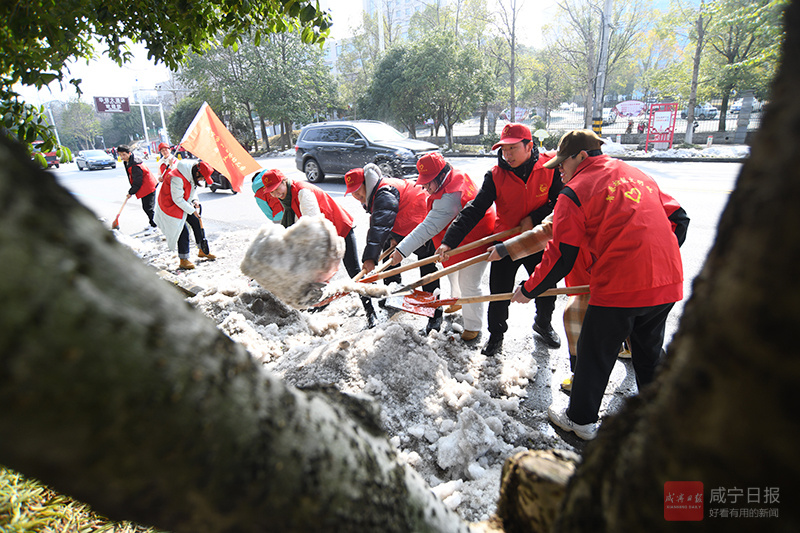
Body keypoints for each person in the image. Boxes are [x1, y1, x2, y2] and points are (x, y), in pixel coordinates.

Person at [512, 129, 689, 440]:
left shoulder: (575, 192)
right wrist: (655, 259)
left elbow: (561, 257)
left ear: (581, 157)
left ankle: (579, 419)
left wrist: (529, 290)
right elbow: (680, 219)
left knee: (595, 351)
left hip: (619, 287)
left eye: (562, 166)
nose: (561, 175)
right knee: (648, 351)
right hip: (666, 282)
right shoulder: (635, 174)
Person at [437, 123, 562, 356]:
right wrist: (449, 242)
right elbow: (474, 209)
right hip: (506, 244)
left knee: (546, 288)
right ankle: (496, 335)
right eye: (504, 149)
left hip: (537, 239)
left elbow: (559, 202)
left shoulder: (550, 166)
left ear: (529, 146)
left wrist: (534, 218)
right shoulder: (496, 175)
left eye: (513, 148)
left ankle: (543, 324)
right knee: (498, 293)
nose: (507, 155)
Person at [391, 152, 497, 342]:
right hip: (456, 235)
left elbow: (429, 226)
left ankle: (473, 325)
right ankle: (457, 300)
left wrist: (401, 251)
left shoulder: (450, 196)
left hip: (475, 235)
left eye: (428, 182)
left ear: (441, 175)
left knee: (469, 282)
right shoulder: (451, 177)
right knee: (452, 270)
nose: (425, 187)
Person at [256, 169, 378, 328]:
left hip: (339, 229)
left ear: (284, 180)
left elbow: (313, 227)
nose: (275, 193)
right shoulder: (287, 196)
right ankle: (322, 303)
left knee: (354, 272)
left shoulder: (302, 193)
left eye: (277, 188)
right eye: (271, 191)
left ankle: (371, 312)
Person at [345, 164, 442, 333]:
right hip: (404, 218)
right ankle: (392, 292)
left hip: (420, 219)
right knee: (388, 252)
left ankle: (435, 312)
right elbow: (382, 222)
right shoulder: (374, 191)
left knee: (426, 263)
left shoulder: (384, 191)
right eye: (351, 192)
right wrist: (394, 238)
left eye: (357, 189)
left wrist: (369, 258)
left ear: (366, 183)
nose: (356, 195)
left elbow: (380, 225)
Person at [154, 159, 217, 270]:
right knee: (182, 230)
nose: (202, 180)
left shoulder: (192, 173)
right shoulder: (177, 177)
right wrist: (192, 211)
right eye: (202, 177)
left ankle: (202, 249)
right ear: (197, 173)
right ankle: (183, 259)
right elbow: (177, 199)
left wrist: (194, 201)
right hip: (170, 205)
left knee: (196, 222)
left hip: (183, 202)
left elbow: (192, 190)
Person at [118, 144, 158, 229]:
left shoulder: (135, 165)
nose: (122, 157)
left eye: (124, 154)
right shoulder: (128, 161)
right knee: (146, 207)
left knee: (148, 208)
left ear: (129, 153)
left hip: (148, 186)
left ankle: (155, 225)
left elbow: (137, 181)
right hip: (144, 186)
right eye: (120, 155)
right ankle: (153, 223)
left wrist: (131, 192)